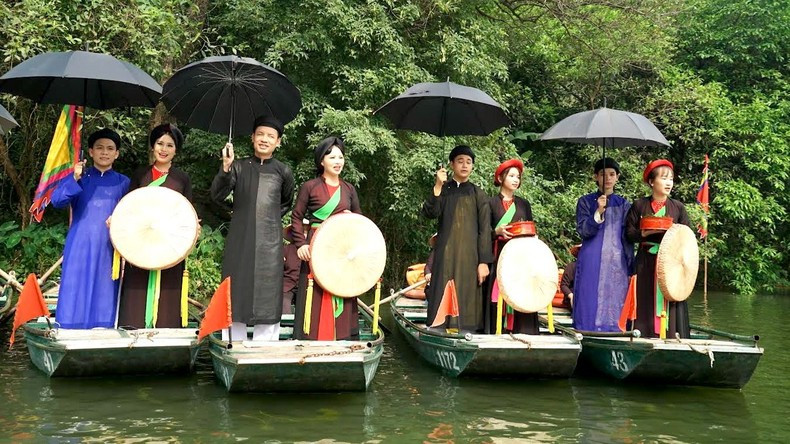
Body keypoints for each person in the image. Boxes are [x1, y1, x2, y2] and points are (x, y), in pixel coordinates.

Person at [211, 116, 295, 341]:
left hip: (270, 243)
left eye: (270, 136)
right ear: (252, 138)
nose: (264, 139)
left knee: (267, 295)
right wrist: (226, 168)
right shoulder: (238, 167)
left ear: (278, 142)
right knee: (236, 290)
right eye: (260, 134)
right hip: (240, 238)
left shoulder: (283, 171)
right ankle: (232, 343)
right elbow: (217, 196)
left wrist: (269, 221)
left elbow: (287, 201)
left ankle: (265, 346)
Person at [52, 128, 130, 329]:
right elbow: (57, 201)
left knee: (104, 287)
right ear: (91, 151)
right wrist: (74, 178)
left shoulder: (124, 182)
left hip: (108, 245)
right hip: (79, 242)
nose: (105, 152)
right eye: (100, 148)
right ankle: (68, 327)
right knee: (74, 286)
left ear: (117, 154)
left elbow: (132, 213)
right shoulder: (80, 177)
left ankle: (103, 329)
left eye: (110, 148)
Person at [117, 124, 192, 329]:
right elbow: (129, 207)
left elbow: (187, 213)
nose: (164, 149)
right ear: (153, 146)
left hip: (169, 244)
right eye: (160, 143)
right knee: (137, 285)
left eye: (169, 145)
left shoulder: (181, 179)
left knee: (168, 287)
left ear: (175, 150)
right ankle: (132, 328)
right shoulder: (140, 175)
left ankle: (165, 330)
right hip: (141, 242)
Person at [291, 137, 362, 340]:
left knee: (342, 287)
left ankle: (342, 336)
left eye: (341, 157)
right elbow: (296, 217)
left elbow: (360, 221)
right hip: (317, 246)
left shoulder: (349, 189)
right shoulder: (310, 186)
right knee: (316, 291)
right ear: (322, 161)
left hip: (342, 248)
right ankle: (310, 336)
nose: (338, 161)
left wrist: (352, 219)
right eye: (332, 157)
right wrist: (301, 243)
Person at [422, 145, 492, 333]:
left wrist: (484, 261)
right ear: (452, 164)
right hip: (445, 254)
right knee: (441, 287)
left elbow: (485, 230)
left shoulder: (479, 194)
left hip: (471, 257)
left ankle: (467, 331)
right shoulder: (444, 190)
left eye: (468, 162)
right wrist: (438, 185)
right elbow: (430, 212)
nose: (464, 165)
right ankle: (437, 327)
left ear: (473, 167)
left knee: (468, 295)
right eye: (460, 161)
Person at [626, 159, 691, 339]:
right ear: (651, 181)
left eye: (671, 178)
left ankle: (671, 334)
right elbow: (629, 233)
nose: (669, 182)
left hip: (670, 262)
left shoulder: (678, 207)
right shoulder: (639, 205)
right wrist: (644, 234)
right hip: (646, 259)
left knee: (671, 296)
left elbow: (686, 235)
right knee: (645, 296)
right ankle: (644, 333)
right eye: (664, 178)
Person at [572, 158, 633, 332]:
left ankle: (615, 331)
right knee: (588, 296)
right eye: (603, 174)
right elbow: (583, 231)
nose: (607, 178)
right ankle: (585, 330)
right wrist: (598, 211)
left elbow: (627, 238)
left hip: (616, 260)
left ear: (617, 178)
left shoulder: (624, 205)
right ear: (595, 177)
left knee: (616, 297)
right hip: (592, 257)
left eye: (612, 174)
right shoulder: (585, 202)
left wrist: (630, 266)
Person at [483, 159, 539, 334]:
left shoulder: (523, 204)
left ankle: (523, 331)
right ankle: (497, 330)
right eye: (512, 176)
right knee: (497, 294)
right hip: (499, 256)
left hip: (520, 258)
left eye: (518, 177)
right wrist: (496, 232)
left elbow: (531, 228)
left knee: (521, 292)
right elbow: (482, 233)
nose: (516, 180)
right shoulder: (489, 203)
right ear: (501, 178)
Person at [282, 225, 300, 315]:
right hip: (288, 285)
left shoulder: (313, 250)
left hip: (306, 286)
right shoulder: (285, 249)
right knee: (284, 304)